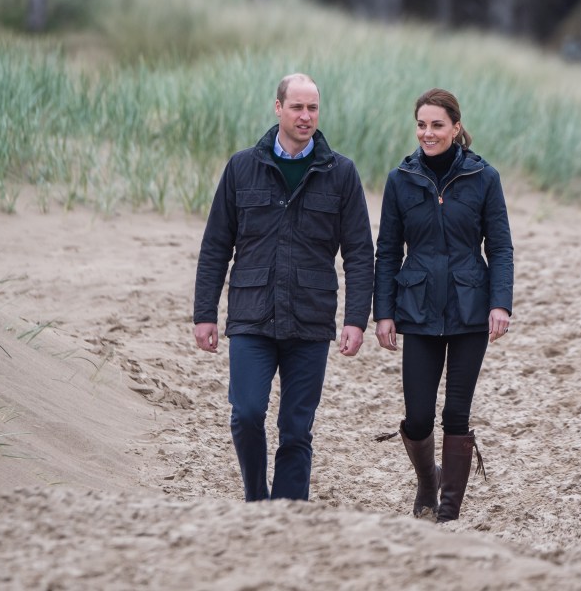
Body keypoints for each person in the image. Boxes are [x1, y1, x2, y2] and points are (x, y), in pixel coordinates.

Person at [193, 73, 374, 502]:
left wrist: (355, 320)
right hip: (251, 313)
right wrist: (204, 313)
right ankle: (257, 500)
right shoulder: (242, 167)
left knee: (296, 427)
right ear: (278, 108)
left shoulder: (341, 173)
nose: (306, 116)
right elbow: (217, 244)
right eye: (297, 107)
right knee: (247, 414)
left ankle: (290, 513)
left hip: (310, 319)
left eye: (313, 108)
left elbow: (360, 253)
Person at [373, 88, 514, 522]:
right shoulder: (401, 179)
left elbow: (501, 248)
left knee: (456, 412)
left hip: (471, 309)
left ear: (456, 127)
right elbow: (387, 250)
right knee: (417, 418)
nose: (427, 133)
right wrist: (384, 312)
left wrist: (500, 304)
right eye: (421, 125)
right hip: (416, 309)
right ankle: (427, 482)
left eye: (437, 125)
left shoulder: (483, 177)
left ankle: (448, 508)